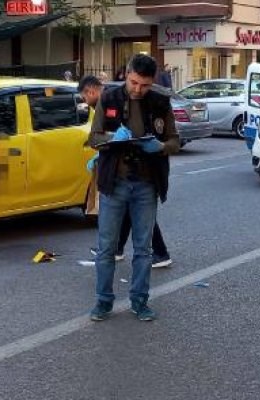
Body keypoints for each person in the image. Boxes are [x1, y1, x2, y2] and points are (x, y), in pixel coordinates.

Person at [88, 54, 179, 322]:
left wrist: (161, 147)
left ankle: (140, 301)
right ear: (126, 74)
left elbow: (174, 139)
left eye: (145, 85)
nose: (138, 89)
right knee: (106, 248)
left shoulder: (161, 102)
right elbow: (93, 138)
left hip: (146, 185)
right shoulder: (109, 98)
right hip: (114, 184)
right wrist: (110, 138)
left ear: (153, 82)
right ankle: (103, 302)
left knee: (143, 249)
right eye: (134, 82)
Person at [78, 75, 173, 269]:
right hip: (121, 166)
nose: (84, 102)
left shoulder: (113, 101)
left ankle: (159, 253)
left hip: (135, 168)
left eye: (84, 97)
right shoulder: (107, 100)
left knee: (136, 211)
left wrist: (110, 145)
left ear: (91, 91)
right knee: (131, 211)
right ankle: (117, 249)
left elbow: (129, 134)